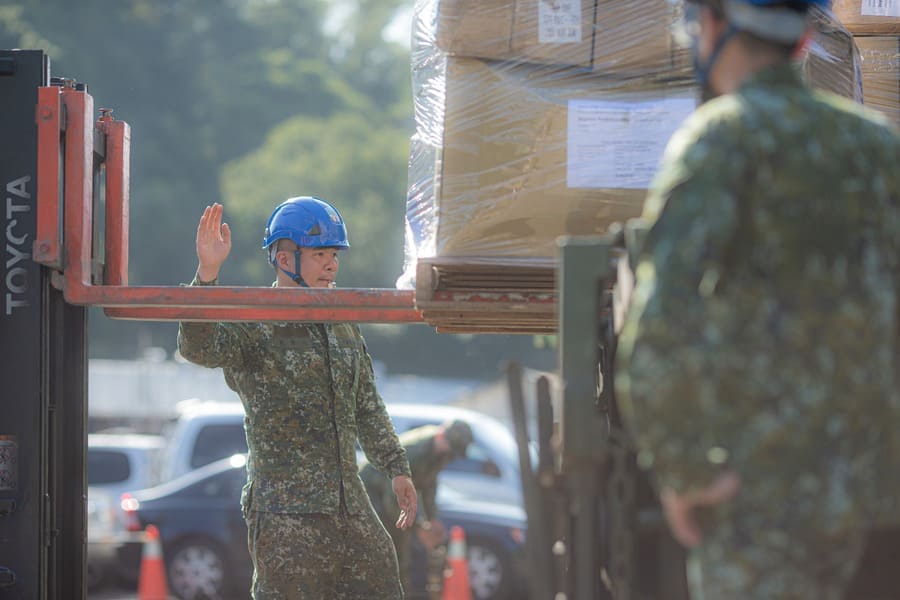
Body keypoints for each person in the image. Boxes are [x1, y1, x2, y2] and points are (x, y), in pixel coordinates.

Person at [614, 1, 900, 599]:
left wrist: (685, 469)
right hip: (875, 500)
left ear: (713, 26)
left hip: (761, 500)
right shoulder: (878, 147)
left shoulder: (722, 139)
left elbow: (660, 327)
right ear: (802, 43)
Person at [177, 197, 418, 599]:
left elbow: (366, 404)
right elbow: (199, 348)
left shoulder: (342, 323)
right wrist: (208, 274)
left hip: (348, 503)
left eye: (334, 255)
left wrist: (397, 467)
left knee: (382, 585)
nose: (332, 265)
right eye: (320, 254)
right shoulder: (257, 321)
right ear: (285, 259)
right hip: (287, 511)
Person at [359, 419, 475, 596]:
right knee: (386, 553)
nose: (450, 457)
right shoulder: (414, 452)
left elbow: (429, 486)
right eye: (451, 450)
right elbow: (393, 498)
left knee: (401, 559)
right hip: (372, 493)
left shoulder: (440, 454)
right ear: (442, 437)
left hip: (390, 497)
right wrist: (418, 527)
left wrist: (432, 518)